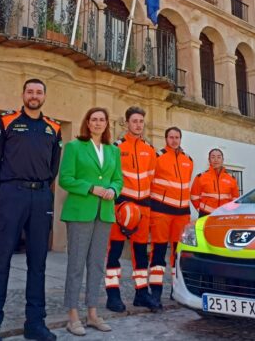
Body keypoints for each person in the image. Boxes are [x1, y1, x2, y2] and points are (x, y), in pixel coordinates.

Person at [0, 79, 62, 341]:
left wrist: (42, 189)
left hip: (40, 198)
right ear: (23, 95)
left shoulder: (54, 128)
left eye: (39, 92)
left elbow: (54, 166)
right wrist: (0, 192)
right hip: (11, 195)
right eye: (30, 92)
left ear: (44, 96)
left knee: (38, 263)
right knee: (0, 259)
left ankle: (35, 324)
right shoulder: (6, 122)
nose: (34, 96)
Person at [58, 107, 123, 336]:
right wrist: (90, 188)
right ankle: (73, 315)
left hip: (104, 212)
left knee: (96, 265)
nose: (97, 123)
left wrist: (113, 190)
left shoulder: (113, 151)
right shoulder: (75, 147)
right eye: (93, 119)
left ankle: (93, 313)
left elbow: (118, 179)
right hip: (79, 212)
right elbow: (65, 179)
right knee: (76, 264)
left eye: (101, 120)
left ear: (107, 124)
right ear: (87, 122)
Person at [105, 106, 159, 312]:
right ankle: (113, 295)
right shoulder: (116, 147)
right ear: (126, 123)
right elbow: (110, 177)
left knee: (140, 254)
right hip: (121, 206)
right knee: (115, 252)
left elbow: (152, 181)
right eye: (134, 121)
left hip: (144, 207)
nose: (138, 125)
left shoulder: (150, 150)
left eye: (141, 122)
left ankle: (141, 293)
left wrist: (151, 209)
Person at [149, 126, 194, 307]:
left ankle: (176, 291)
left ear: (180, 139)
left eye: (177, 137)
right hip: (161, 211)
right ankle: (156, 293)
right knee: (158, 252)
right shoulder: (158, 157)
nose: (174, 140)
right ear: (166, 138)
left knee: (178, 255)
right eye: (171, 137)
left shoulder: (188, 160)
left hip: (182, 213)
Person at [190, 148, 239, 217]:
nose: (216, 160)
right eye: (213, 157)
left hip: (225, 215)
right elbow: (194, 197)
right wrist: (201, 210)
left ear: (222, 160)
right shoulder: (200, 177)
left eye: (219, 157)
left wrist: (229, 211)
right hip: (205, 214)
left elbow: (235, 198)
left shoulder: (231, 178)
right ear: (209, 160)